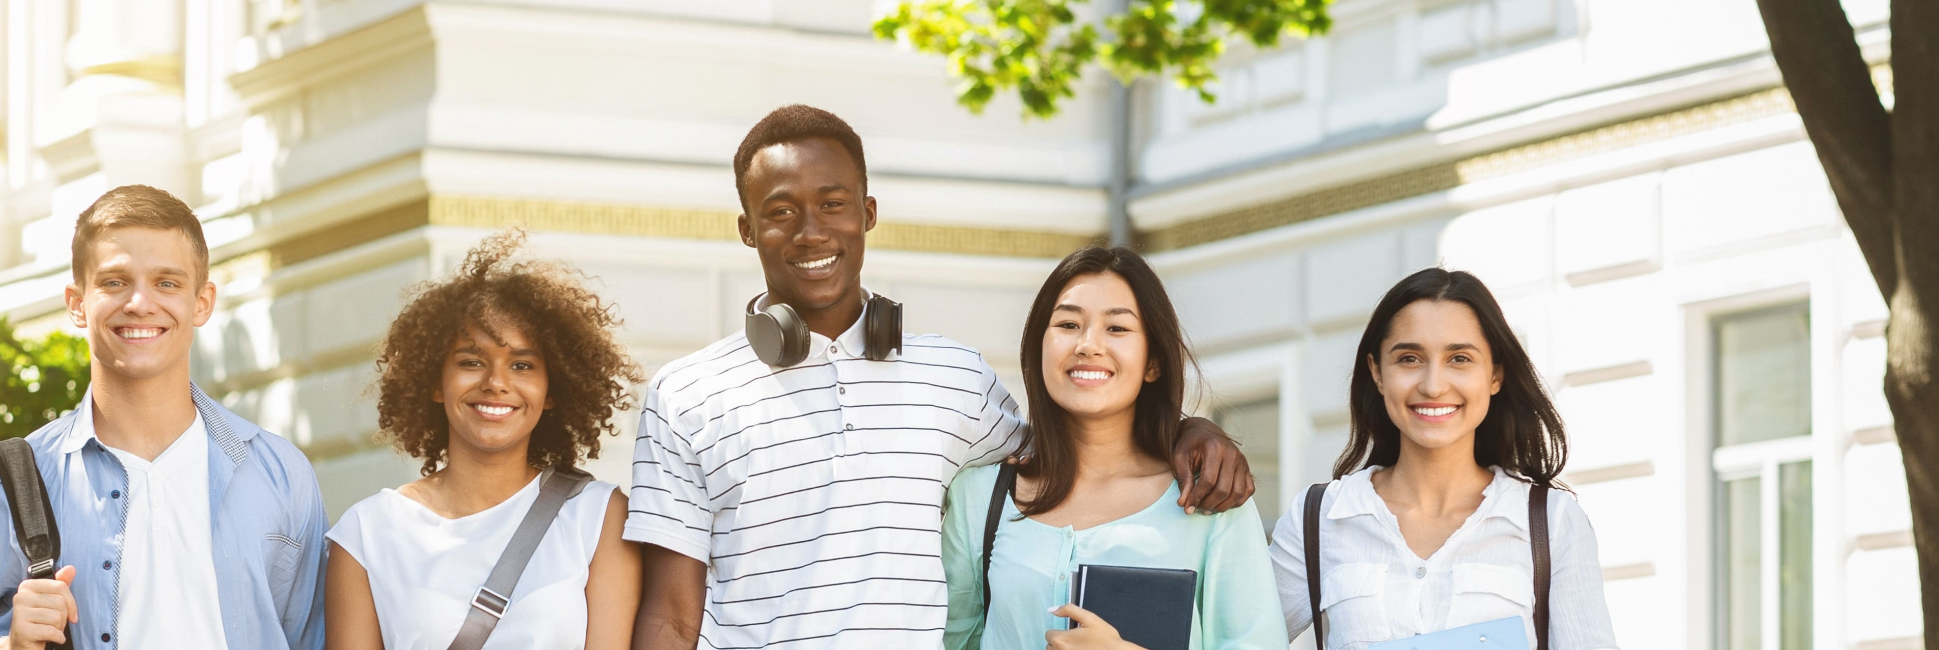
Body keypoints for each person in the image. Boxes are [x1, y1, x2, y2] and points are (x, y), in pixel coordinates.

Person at [624, 104, 1258, 650]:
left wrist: (1186, 430)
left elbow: (1080, 445)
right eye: (781, 211)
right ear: (747, 229)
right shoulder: (686, 395)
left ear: (867, 212)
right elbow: (671, 617)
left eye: (833, 204)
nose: (811, 231)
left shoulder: (952, 376)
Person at [0, 185, 328, 650]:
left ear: (202, 302)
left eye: (167, 283)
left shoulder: (280, 474)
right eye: (114, 282)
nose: (139, 303)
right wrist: (5, 648)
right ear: (77, 303)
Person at [942, 246, 1287, 650]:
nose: (1088, 345)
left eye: (1117, 329)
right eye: (1068, 324)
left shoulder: (1210, 496)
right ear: (1040, 347)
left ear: (1153, 362)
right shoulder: (980, 495)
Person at [323, 230, 645, 650]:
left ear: (551, 392)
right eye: (471, 361)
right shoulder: (367, 533)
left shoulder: (598, 517)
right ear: (436, 382)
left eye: (523, 365)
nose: (496, 383)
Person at [1269, 268, 1616, 650]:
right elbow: (1231, 639)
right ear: (1377, 373)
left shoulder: (1551, 521)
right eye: (1409, 358)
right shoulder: (1318, 519)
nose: (1433, 385)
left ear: (1495, 374)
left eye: (1460, 358)